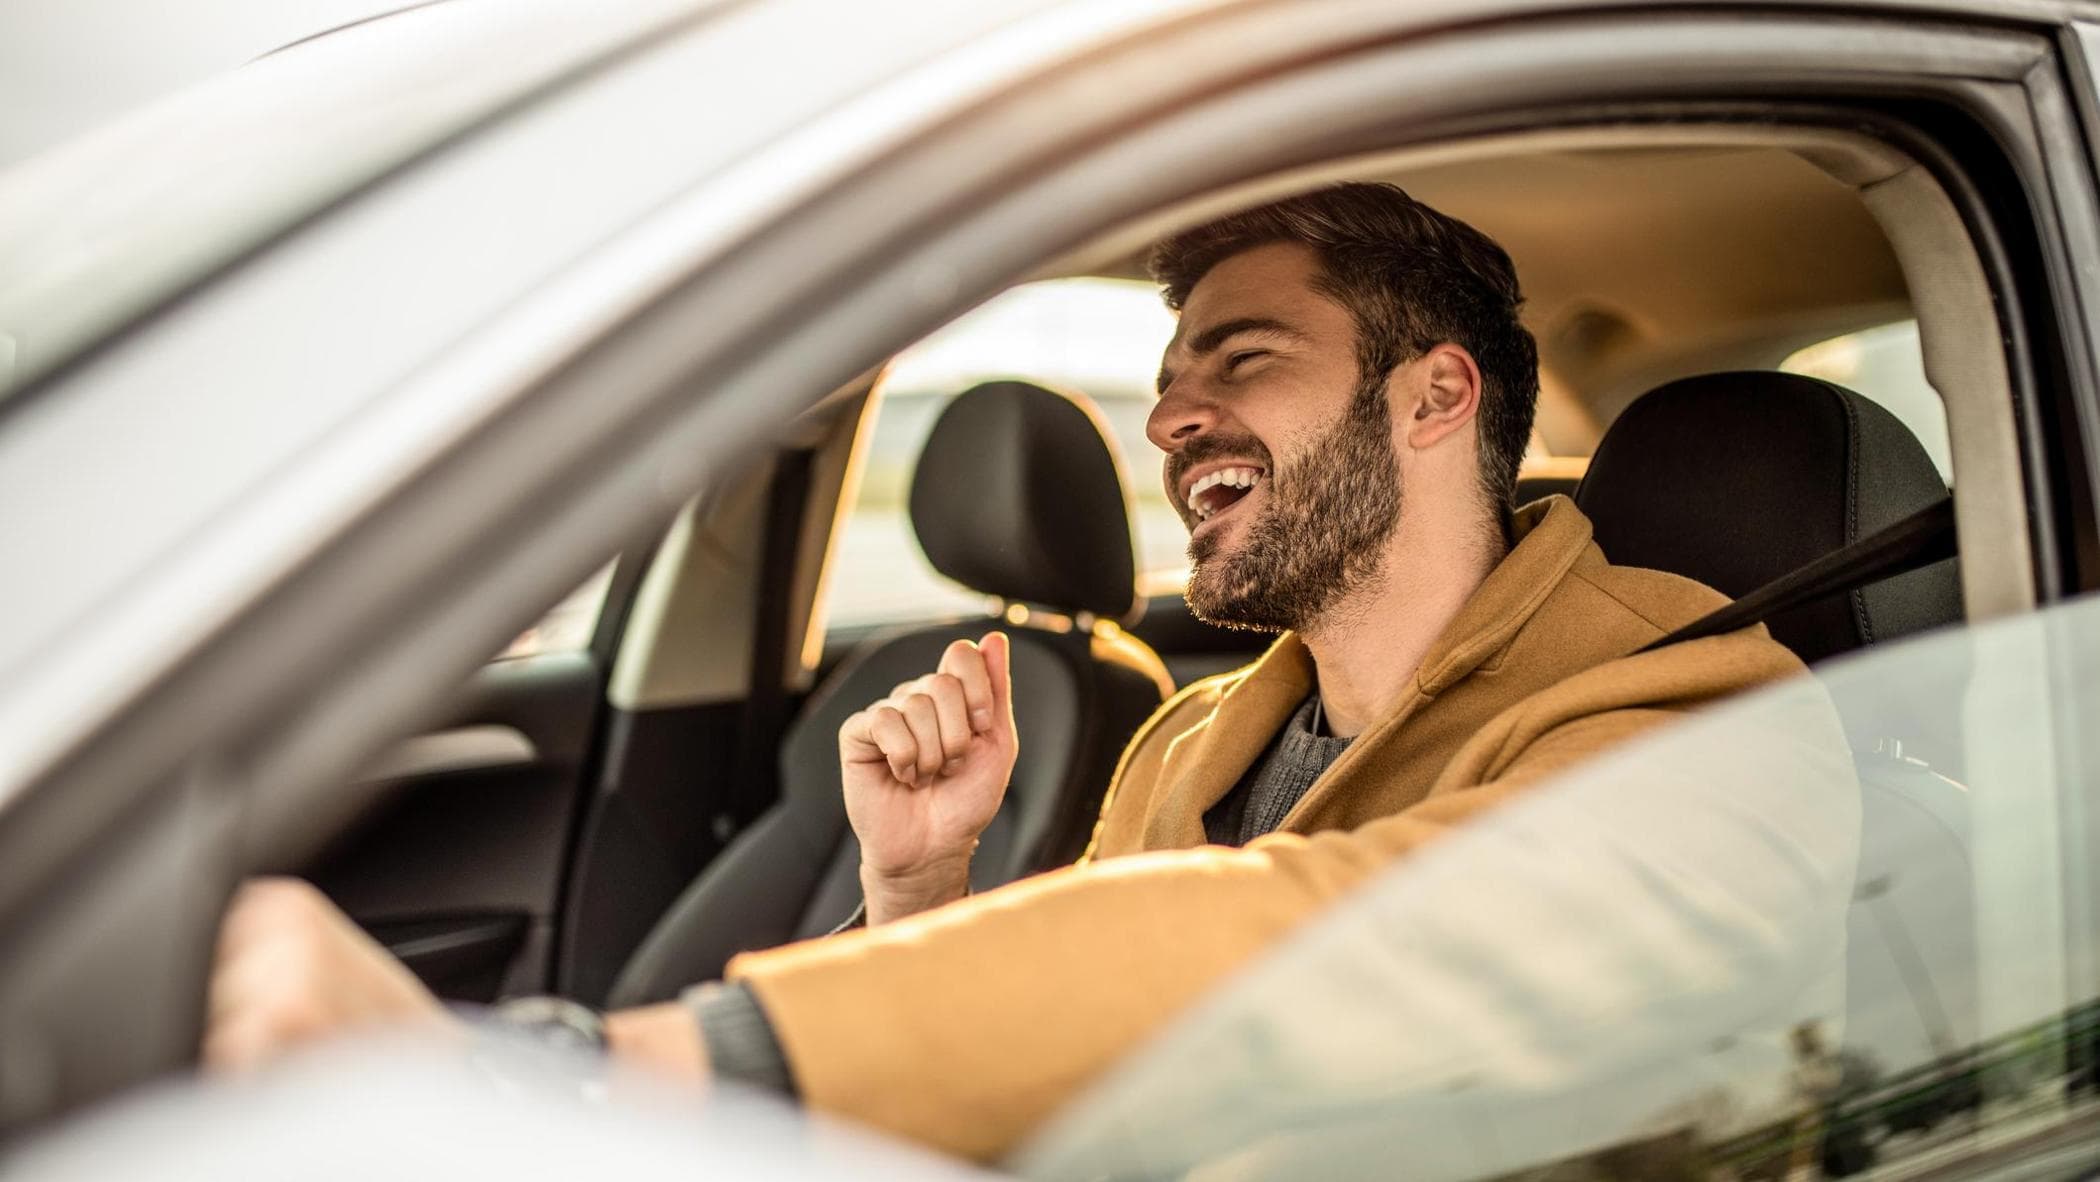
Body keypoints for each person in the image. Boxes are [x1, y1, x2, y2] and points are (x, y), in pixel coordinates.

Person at [202, 183, 1812, 1162]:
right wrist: (921, 885)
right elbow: (1075, 1068)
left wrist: (598, 1078)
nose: (1169, 416)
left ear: (1435, 398)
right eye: (1171, 375)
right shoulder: (1190, 740)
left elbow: (1335, 959)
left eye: (1245, 357)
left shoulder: (1708, 711)